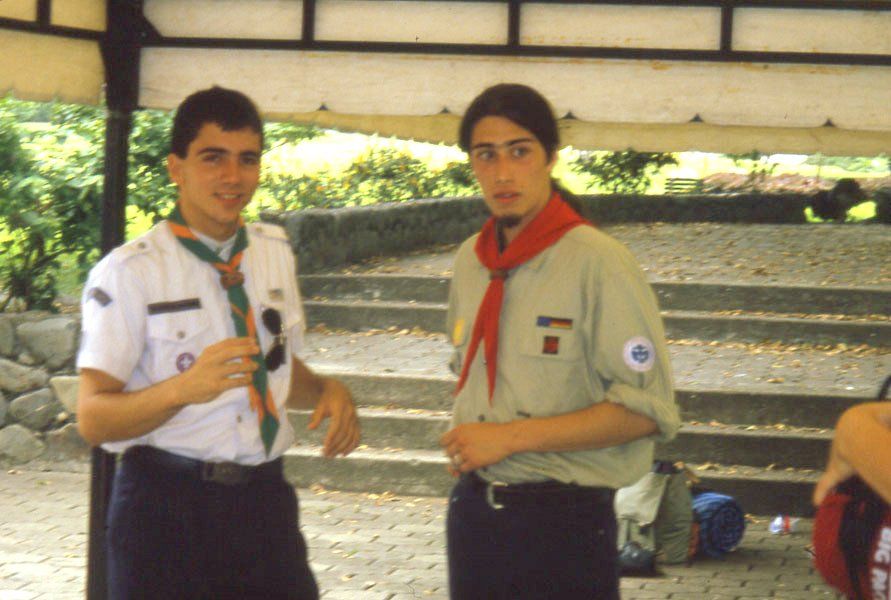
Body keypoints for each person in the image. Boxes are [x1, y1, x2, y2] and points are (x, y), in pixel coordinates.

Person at [76, 86, 360, 600]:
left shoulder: (273, 251)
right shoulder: (131, 271)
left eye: (247, 159)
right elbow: (93, 418)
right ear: (176, 168)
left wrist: (324, 390)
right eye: (213, 158)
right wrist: (181, 389)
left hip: (264, 505)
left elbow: (274, 365)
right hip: (165, 511)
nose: (233, 176)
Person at [439, 83, 679, 600]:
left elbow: (647, 412)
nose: (503, 173)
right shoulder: (470, 262)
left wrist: (509, 438)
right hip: (475, 516)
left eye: (519, 151)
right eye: (486, 154)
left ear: (550, 156)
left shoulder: (599, 262)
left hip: (563, 527)